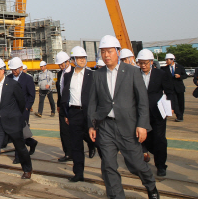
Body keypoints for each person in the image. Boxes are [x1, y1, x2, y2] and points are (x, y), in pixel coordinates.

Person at [87, 35, 159, 199]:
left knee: (137, 164)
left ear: (118, 52)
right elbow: (92, 102)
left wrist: (142, 125)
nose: (106, 55)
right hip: (105, 127)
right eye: (103, 52)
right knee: (108, 166)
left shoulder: (132, 72)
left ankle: (151, 186)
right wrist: (91, 125)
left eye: (110, 51)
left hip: (128, 126)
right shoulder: (98, 74)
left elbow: (142, 101)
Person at [0, 57, 32, 194]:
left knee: (20, 147)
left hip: (13, 122)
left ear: (2, 71)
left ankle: (27, 168)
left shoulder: (13, 85)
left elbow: (21, 103)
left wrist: (16, 116)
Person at [59, 46, 96, 182]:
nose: (82, 60)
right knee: (76, 145)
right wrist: (66, 114)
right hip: (73, 113)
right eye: (79, 58)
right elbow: (65, 96)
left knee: (98, 142)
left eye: (84, 58)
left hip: (89, 113)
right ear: (73, 60)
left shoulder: (92, 75)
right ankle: (78, 173)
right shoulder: (68, 76)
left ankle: (107, 170)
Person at [137, 49, 174, 177]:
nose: (143, 66)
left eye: (145, 63)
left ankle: (161, 165)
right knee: (143, 139)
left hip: (158, 113)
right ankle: (146, 155)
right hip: (141, 114)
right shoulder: (135, 74)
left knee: (159, 140)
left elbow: (169, 91)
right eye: (140, 63)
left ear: (152, 62)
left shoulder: (161, 74)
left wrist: (171, 106)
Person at [5, 57, 37, 162]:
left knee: (20, 133)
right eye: (12, 70)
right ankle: (31, 142)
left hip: (23, 111)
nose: (14, 72)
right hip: (11, 111)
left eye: (16, 70)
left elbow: (31, 95)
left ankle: (18, 156)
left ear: (21, 68)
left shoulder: (27, 79)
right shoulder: (8, 78)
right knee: (15, 133)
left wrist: (27, 107)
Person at [56, 51, 73, 162]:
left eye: (62, 64)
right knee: (64, 131)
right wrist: (58, 104)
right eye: (59, 64)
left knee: (77, 130)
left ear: (68, 61)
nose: (61, 66)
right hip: (62, 106)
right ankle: (68, 153)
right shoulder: (59, 74)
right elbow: (59, 90)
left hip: (72, 105)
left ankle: (91, 145)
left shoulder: (74, 73)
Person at [161, 54, 186, 122]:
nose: (166, 61)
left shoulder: (180, 67)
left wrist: (180, 76)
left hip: (179, 88)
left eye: (167, 60)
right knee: (173, 103)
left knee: (181, 102)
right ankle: (178, 115)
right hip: (170, 89)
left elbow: (185, 75)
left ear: (172, 60)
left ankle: (181, 115)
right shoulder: (164, 69)